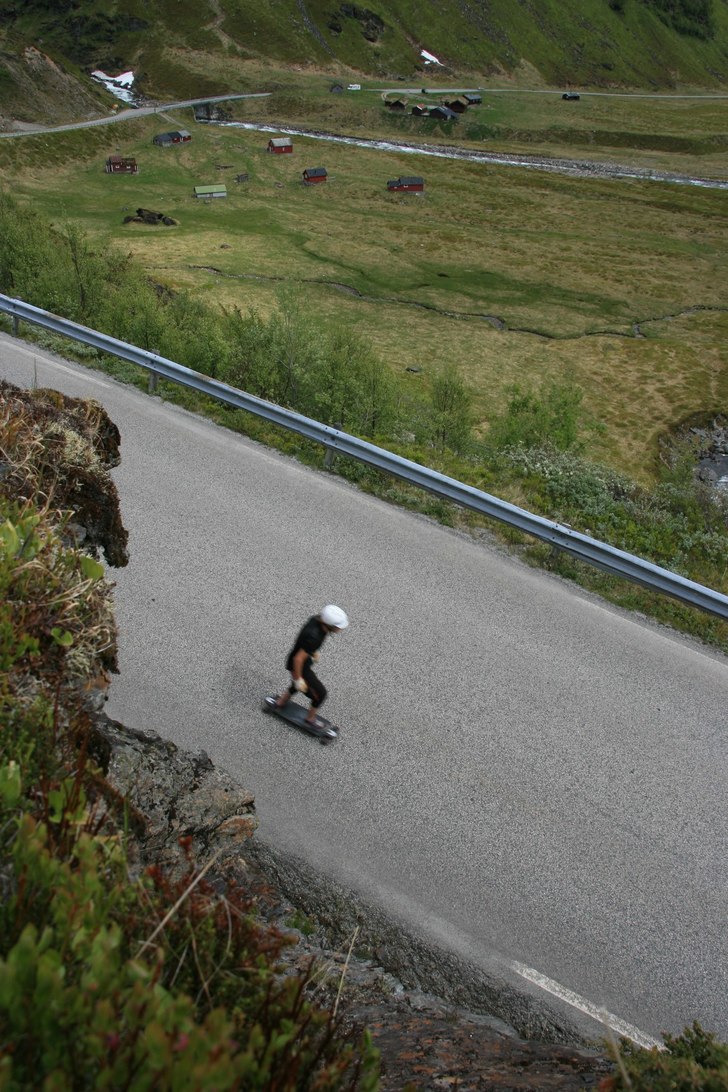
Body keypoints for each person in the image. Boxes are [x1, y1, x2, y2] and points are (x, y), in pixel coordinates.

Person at [270, 605, 349, 728]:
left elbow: (302, 639)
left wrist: (311, 652)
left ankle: (281, 702)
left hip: (301, 660)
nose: (340, 629)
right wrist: (298, 679)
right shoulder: (315, 638)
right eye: (338, 627)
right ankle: (310, 718)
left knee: (301, 685)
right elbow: (298, 659)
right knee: (320, 694)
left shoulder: (316, 620)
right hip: (299, 665)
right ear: (330, 625)